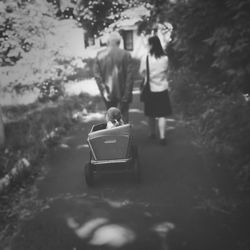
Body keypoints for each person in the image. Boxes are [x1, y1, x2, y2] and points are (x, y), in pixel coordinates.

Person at [93, 31, 134, 123]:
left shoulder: (99, 55)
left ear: (108, 42)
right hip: (123, 92)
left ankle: (113, 135)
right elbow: (130, 77)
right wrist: (126, 95)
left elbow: (97, 76)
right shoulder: (126, 54)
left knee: (111, 117)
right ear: (119, 42)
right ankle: (124, 136)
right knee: (124, 116)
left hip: (107, 93)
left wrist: (104, 92)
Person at [139, 36, 172, 145]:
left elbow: (142, 72)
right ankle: (162, 137)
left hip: (150, 89)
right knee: (162, 114)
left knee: (151, 113)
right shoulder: (165, 58)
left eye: (148, 44)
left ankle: (152, 133)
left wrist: (147, 77)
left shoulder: (146, 58)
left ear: (152, 45)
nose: (147, 46)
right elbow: (167, 72)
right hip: (162, 88)